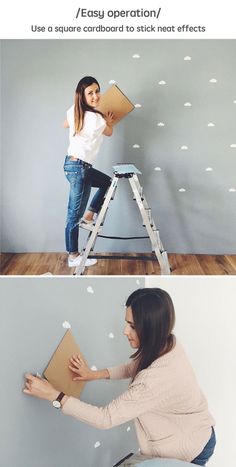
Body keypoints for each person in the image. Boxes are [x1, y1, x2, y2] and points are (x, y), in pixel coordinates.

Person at [24, 288, 216, 466]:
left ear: (151, 328)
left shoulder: (153, 380)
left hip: (192, 447)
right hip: (196, 428)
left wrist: (54, 396)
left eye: (132, 326)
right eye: (126, 322)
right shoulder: (166, 343)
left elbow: (105, 418)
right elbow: (134, 368)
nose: (125, 331)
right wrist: (93, 375)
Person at [63, 76, 114, 268]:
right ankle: (73, 256)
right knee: (73, 215)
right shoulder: (95, 118)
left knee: (108, 182)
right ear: (82, 96)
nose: (95, 96)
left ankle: (90, 214)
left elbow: (64, 124)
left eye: (97, 91)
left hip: (72, 165)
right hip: (80, 168)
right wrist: (107, 120)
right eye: (90, 93)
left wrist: (79, 114)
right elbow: (109, 132)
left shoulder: (74, 111)